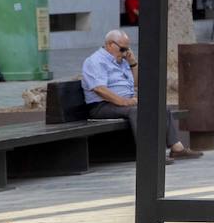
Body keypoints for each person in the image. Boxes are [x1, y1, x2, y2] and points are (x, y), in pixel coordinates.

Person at [81, 30, 203, 162]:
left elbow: (137, 83)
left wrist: (133, 64)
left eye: (127, 49)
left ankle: (177, 148)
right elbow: (99, 89)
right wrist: (124, 102)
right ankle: (149, 154)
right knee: (137, 111)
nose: (125, 52)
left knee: (160, 106)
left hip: (123, 103)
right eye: (122, 49)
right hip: (102, 105)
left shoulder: (122, 61)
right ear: (110, 45)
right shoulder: (95, 61)